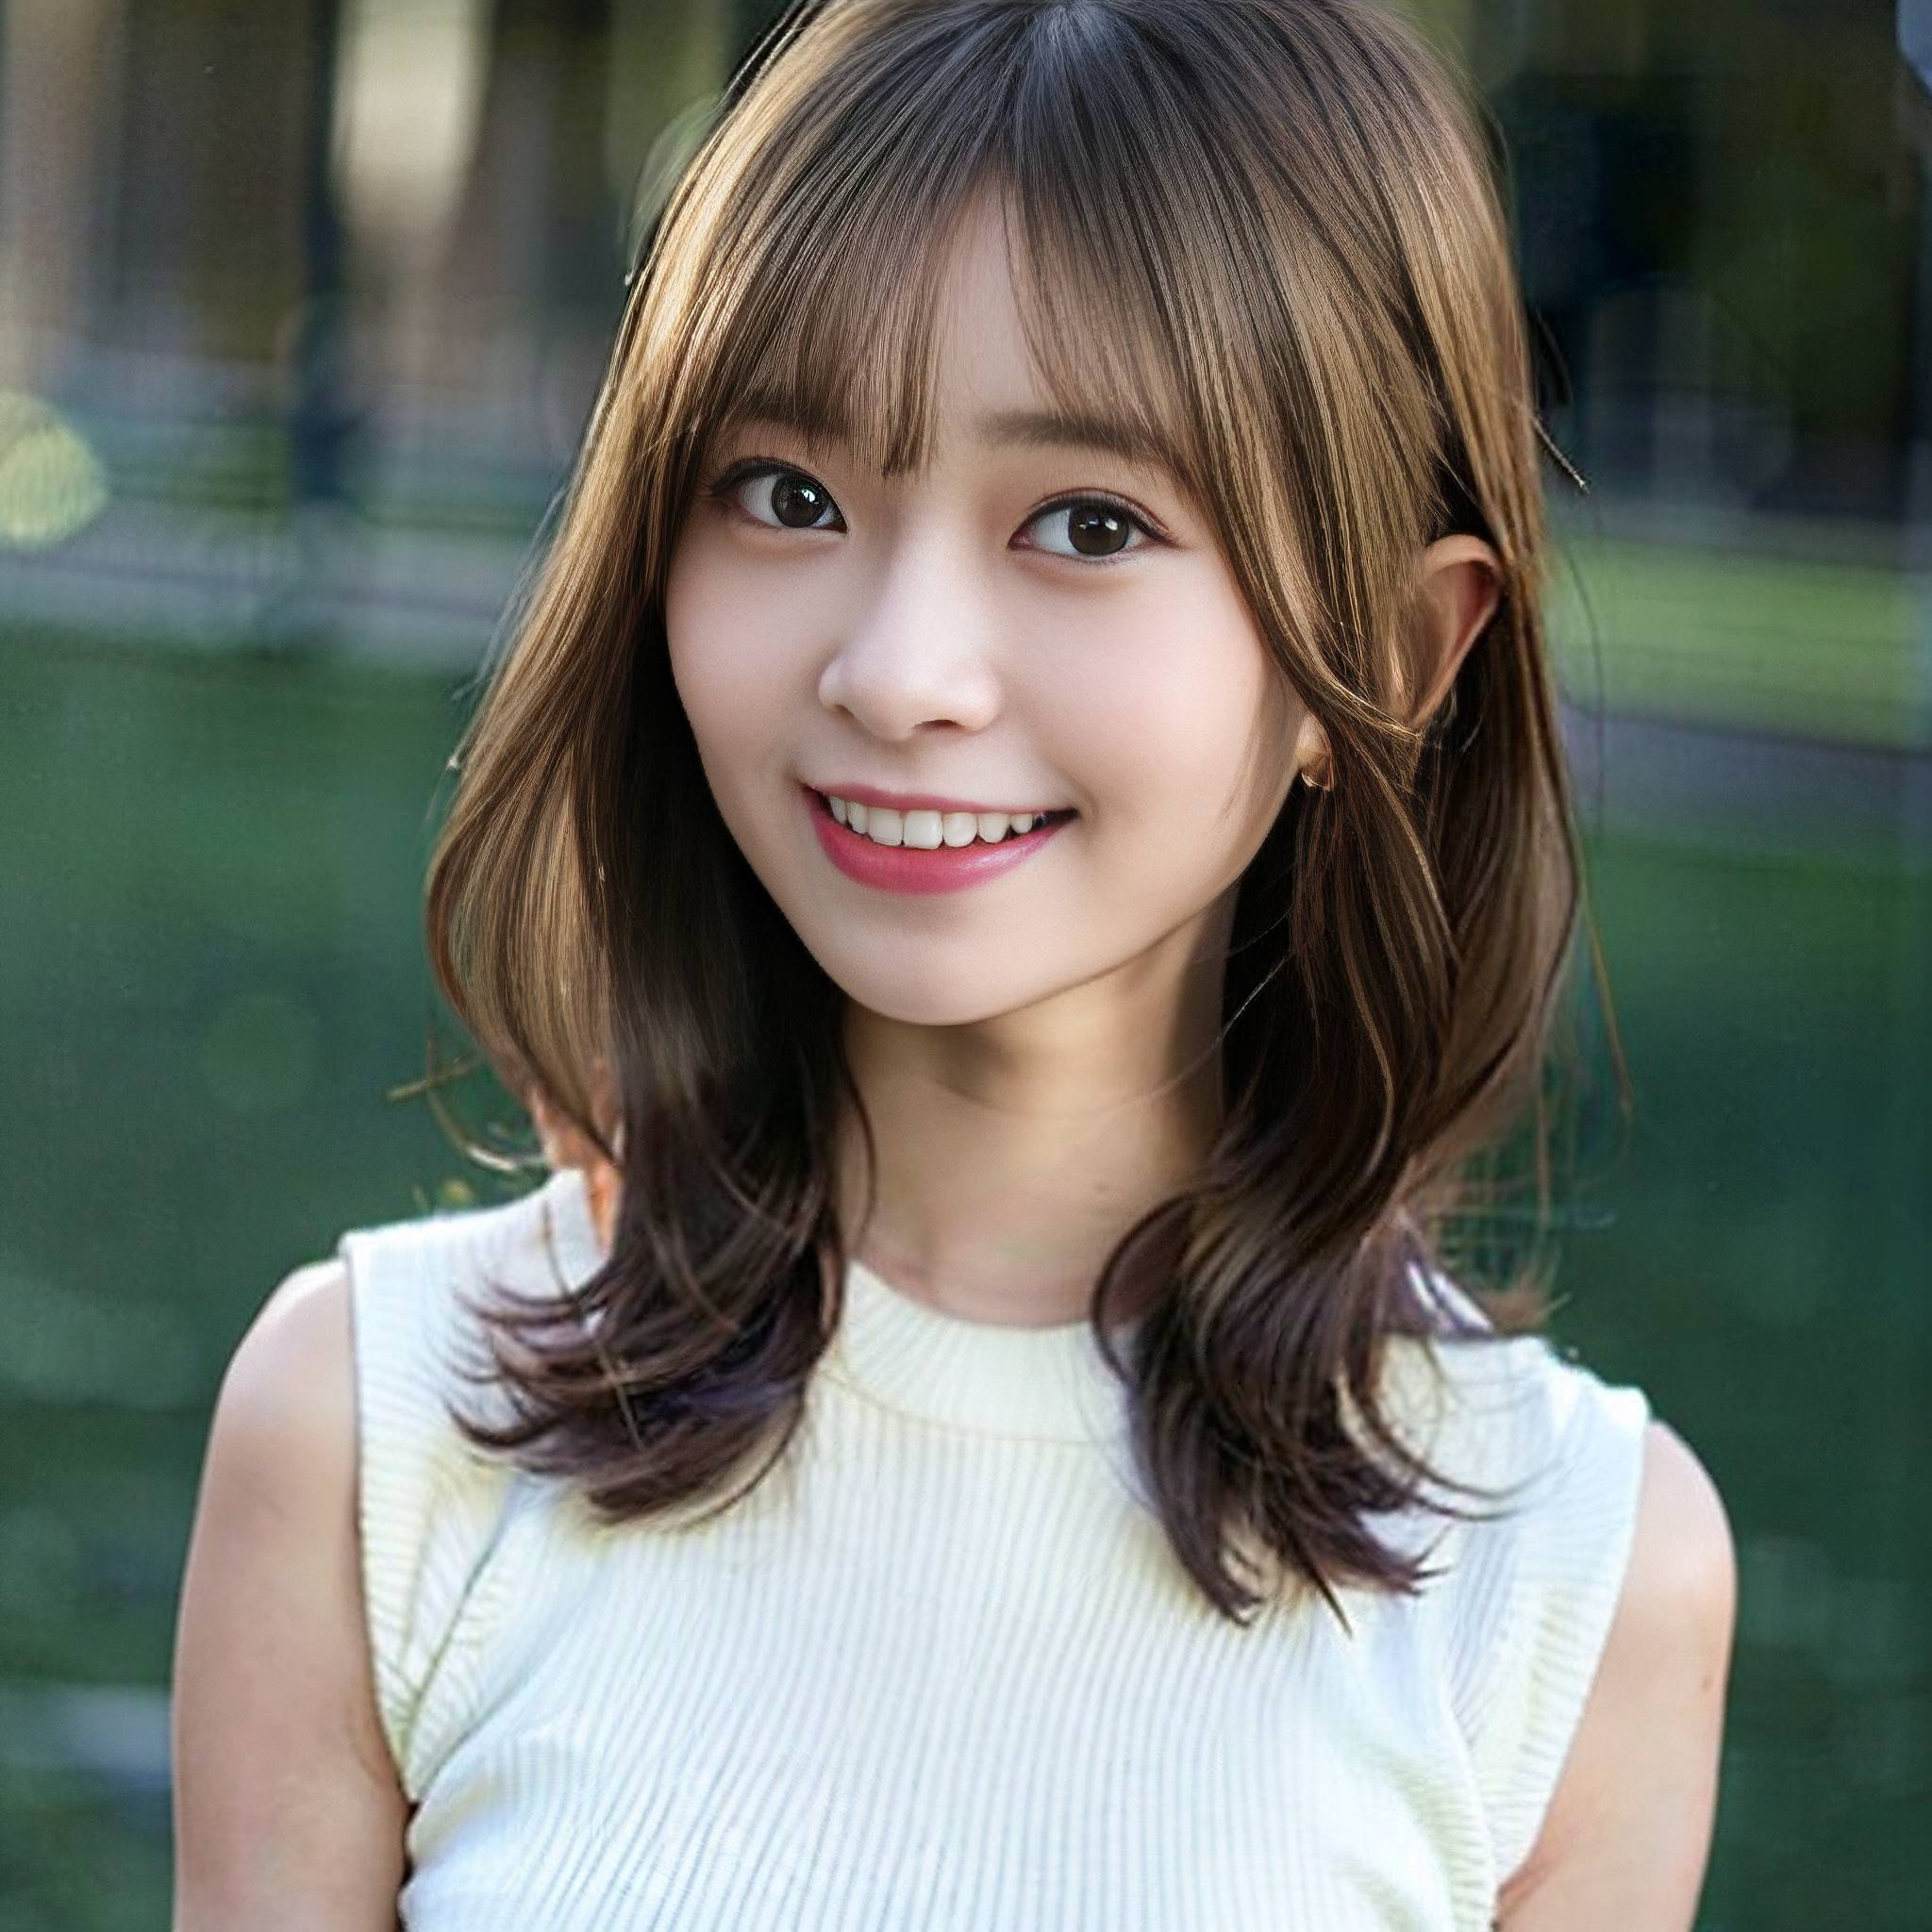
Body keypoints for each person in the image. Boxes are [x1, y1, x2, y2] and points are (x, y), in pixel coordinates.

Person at [169, 2, 1737, 1926]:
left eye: (1087, 523)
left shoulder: (1574, 1570)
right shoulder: (371, 1428)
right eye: (788, 493)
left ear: (1399, 658)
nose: (897, 669)